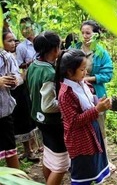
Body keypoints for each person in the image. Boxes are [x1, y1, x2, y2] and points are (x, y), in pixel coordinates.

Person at [57, 49, 112, 184]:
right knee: (82, 174)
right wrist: (97, 110)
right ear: (70, 72)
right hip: (80, 139)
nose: (85, 72)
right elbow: (73, 121)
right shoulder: (65, 94)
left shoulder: (83, 83)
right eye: (82, 70)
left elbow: (89, 102)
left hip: (92, 131)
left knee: (92, 168)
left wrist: (99, 103)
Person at [27, 31, 69, 185]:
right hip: (51, 122)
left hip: (37, 117)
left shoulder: (34, 65)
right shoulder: (49, 73)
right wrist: (67, 104)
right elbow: (48, 106)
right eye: (59, 46)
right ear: (54, 49)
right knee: (62, 164)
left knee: (49, 155)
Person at [71, 20, 114, 171]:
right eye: (82, 33)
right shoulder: (75, 49)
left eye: (88, 33)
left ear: (96, 34)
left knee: (99, 127)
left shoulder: (101, 52)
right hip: (76, 93)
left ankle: (104, 161)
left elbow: (108, 74)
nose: (85, 36)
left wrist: (88, 79)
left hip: (95, 93)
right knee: (81, 127)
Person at [3, 31, 39, 162]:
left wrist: (20, 77)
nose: (13, 43)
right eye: (9, 41)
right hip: (8, 94)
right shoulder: (6, 57)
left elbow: (17, 75)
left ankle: (29, 150)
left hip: (19, 90)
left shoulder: (11, 55)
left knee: (24, 120)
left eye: (14, 40)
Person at [0, 47, 20, 169]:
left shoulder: (5, 57)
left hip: (4, 111)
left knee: (10, 149)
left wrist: (14, 81)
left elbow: (17, 75)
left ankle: (16, 180)